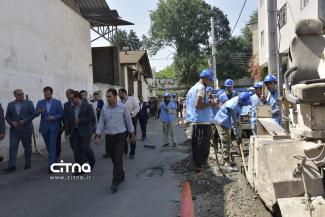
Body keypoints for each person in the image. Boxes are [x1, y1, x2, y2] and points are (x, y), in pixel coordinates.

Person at [95, 88, 135, 193]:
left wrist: (132, 134)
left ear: (115, 97)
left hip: (120, 136)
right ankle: (121, 174)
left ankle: (115, 181)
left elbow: (128, 121)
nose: (107, 98)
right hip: (109, 138)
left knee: (118, 158)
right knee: (114, 159)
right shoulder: (104, 108)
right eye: (106, 96)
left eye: (109, 96)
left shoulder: (122, 107)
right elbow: (101, 122)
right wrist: (98, 135)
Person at [186, 69, 216, 173]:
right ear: (206, 78)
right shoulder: (202, 88)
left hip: (194, 120)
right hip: (202, 121)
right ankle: (199, 166)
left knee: (196, 144)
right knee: (203, 145)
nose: (210, 82)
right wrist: (210, 104)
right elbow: (198, 105)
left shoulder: (192, 89)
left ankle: (197, 166)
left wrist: (208, 101)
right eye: (210, 80)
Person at [214, 92, 251, 171]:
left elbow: (237, 121)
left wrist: (238, 136)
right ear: (241, 100)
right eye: (244, 104)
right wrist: (238, 136)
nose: (244, 105)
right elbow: (235, 123)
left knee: (229, 139)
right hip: (221, 122)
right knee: (226, 140)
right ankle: (226, 162)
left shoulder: (239, 101)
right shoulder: (233, 106)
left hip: (226, 122)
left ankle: (231, 157)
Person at [4, 89, 37, 173]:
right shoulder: (10, 105)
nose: (22, 95)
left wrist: (25, 121)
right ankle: (12, 166)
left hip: (26, 129)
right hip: (14, 130)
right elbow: (7, 117)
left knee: (27, 147)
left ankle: (28, 163)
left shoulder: (29, 103)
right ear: (15, 96)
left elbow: (34, 114)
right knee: (13, 147)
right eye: (19, 94)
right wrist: (12, 122)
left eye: (22, 94)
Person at [65, 91, 96, 174]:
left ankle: (92, 160)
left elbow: (91, 118)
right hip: (75, 132)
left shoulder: (87, 106)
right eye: (70, 99)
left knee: (85, 148)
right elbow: (69, 121)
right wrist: (66, 132)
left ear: (77, 97)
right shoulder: (71, 108)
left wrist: (80, 120)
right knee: (77, 150)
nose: (70, 100)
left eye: (72, 98)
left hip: (85, 131)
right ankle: (80, 169)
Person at [36, 86, 63, 174]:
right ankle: (54, 160)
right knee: (48, 146)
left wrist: (54, 117)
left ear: (51, 93)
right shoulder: (40, 102)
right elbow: (36, 113)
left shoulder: (57, 102)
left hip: (54, 127)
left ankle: (51, 165)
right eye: (45, 94)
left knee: (52, 146)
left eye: (47, 94)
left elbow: (61, 114)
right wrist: (39, 111)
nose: (46, 95)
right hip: (44, 128)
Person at [118, 88, 140, 159]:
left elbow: (137, 108)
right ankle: (125, 148)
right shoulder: (119, 102)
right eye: (118, 93)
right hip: (122, 121)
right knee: (122, 136)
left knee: (132, 136)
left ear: (124, 93)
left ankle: (132, 152)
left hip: (132, 120)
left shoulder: (132, 99)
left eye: (120, 93)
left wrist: (131, 114)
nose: (119, 94)